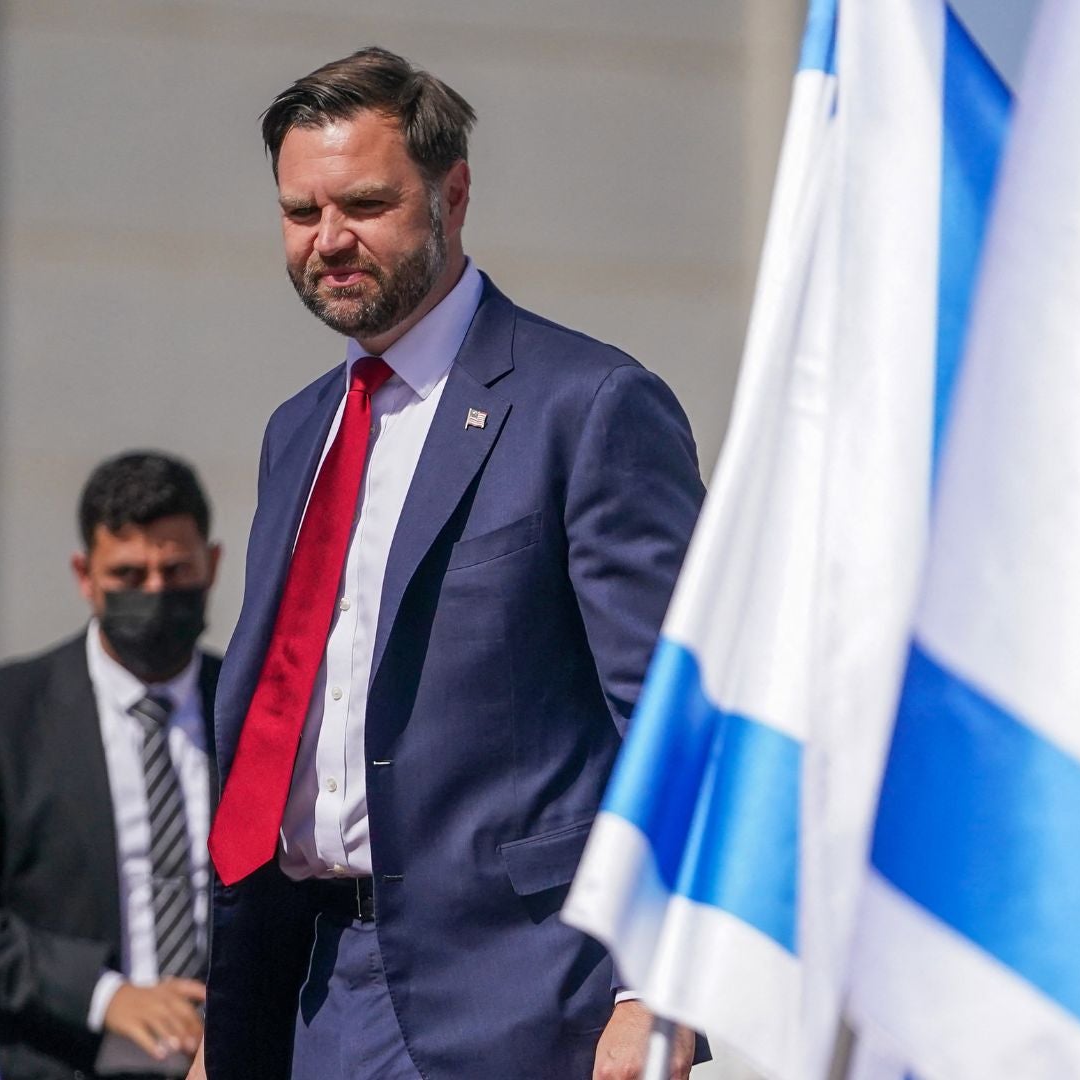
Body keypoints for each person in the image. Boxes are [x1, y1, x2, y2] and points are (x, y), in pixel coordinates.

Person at [200, 47, 707, 1080]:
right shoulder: (298, 431)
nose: (329, 241)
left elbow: (671, 718)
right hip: (308, 991)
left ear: (452, 193)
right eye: (301, 213)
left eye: (365, 204)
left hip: (517, 1001)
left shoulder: (589, 405)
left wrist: (659, 992)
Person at [0, 451, 224, 1080]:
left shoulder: (259, 711)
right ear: (85, 575)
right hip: (59, 1058)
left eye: (175, 570)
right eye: (129, 575)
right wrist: (106, 995)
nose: (155, 593)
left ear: (212, 566)